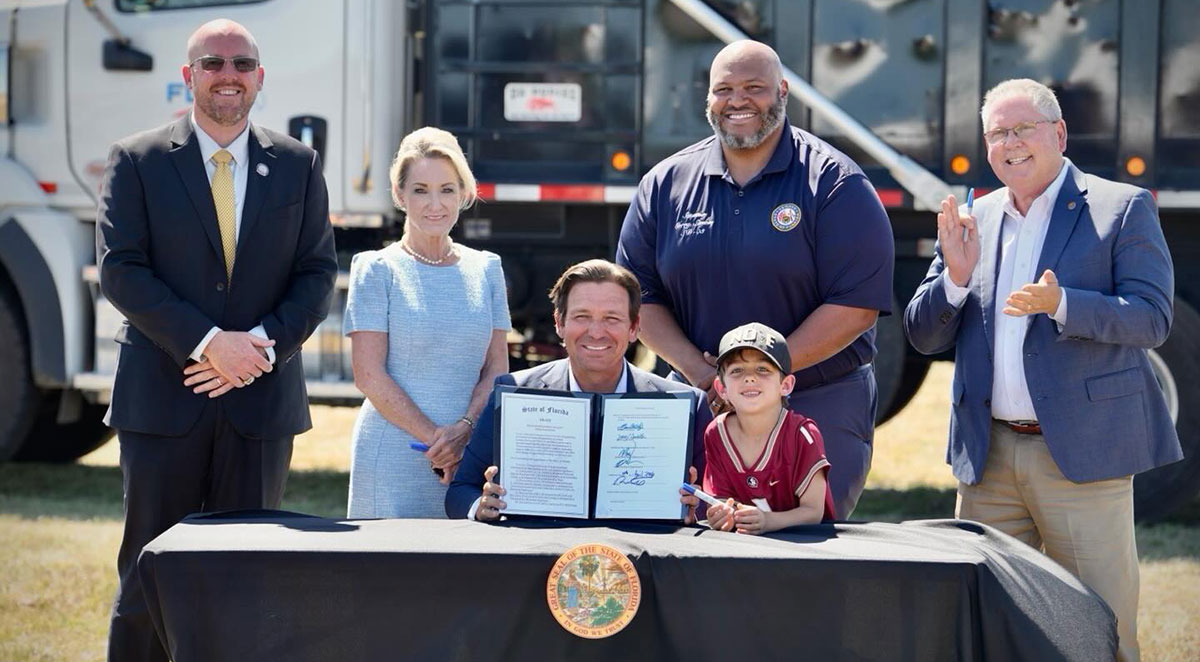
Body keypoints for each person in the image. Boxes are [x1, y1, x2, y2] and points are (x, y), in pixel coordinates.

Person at [904, 78, 1181, 662]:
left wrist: (1063, 305)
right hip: (990, 462)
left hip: (1081, 458)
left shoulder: (1121, 207)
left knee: (1099, 630)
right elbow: (922, 334)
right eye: (998, 133)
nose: (1011, 143)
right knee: (989, 625)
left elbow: (1152, 319)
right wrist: (954, 280)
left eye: (1023, 128)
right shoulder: (974, 218)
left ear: (1059, 133)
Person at [96, 19, 337, 662]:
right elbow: (121, 268)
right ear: (188, 76)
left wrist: (255, 348)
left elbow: (316, 273)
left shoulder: (296, 163)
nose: (227, 75)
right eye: (212, 63)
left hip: (260, 404)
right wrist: (208, 343)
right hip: (162, 397)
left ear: (259, 77)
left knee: (247, 576)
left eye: (240, 63)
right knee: (150, 574)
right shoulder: (138, 159)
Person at [616, 40, 894, 518]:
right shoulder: (665, 184)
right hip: (702, 399)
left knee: (805, 552)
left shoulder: (833, 184)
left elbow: (855, 305)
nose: (737, 100)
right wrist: (704, 374)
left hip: (814, 401)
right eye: (723, 89)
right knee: (686, 549)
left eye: (754, 88)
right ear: (708, 99)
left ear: (783, 92)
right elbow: (639, 296)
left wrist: (761, 377)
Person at [445, 259, 711, 521]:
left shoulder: (686, 407)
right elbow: (459, 493)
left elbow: (714, 502)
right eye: (582, 317)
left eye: (612, 318)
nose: (596, 332)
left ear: (634, 328)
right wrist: (481, 506)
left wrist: (696, 508)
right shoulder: (513, 393)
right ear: (559, 323)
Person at [343, 127, 510, 518]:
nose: (435, 204)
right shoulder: (376, 269)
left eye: (447, 189)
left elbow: (496, 368)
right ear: (400, 195)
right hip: (393, 458)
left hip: (469, 460)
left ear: (464, 193)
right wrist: (438, 443)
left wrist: (465, 433)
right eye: (420, 190)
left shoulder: (487, 268)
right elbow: (368, 375)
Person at [703, 323, 837, 535]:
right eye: (737, 370)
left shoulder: (802, 434)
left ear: (786, 385)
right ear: (722, 388)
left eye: (763, 369)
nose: (749, 378)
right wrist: (721, 514)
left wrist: (768, 521)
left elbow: (813, 511)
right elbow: (720, 499)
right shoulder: (716, 432)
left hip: (803, 551)